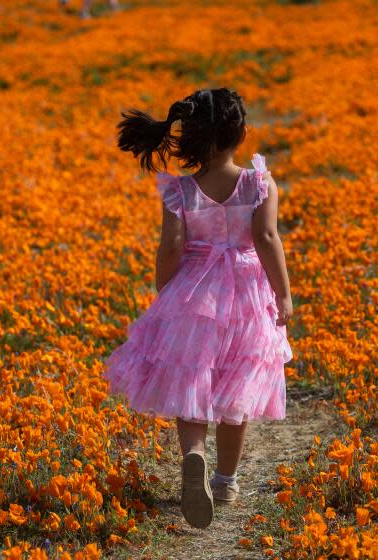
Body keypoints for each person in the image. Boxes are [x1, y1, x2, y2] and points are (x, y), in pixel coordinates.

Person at [104, 88, 293, 529]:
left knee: (191, 380)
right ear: (242, 134)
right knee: (237, 390)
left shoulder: (181, 191)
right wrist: (283, 294)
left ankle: (194, 457)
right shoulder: (258, 183)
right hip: (246, 295)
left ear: (190, 137)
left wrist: (166, 291)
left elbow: (171, 245)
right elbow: (266, 239)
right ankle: (226, 480)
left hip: (195, 295)